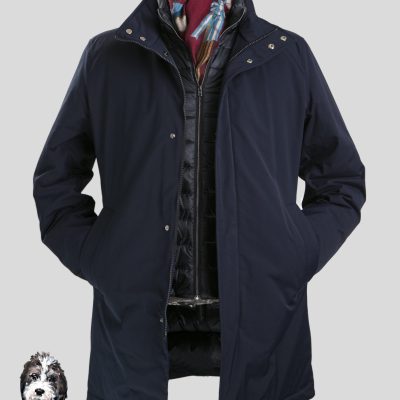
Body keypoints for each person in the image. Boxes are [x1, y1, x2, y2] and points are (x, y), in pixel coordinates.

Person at [33, 0, 366, 399]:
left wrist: (297, 252)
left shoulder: (286, 55)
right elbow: (56, 181)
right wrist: (99, 256)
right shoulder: (108, 56)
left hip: (265, 322)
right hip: (135, 325)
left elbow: (340, 178)